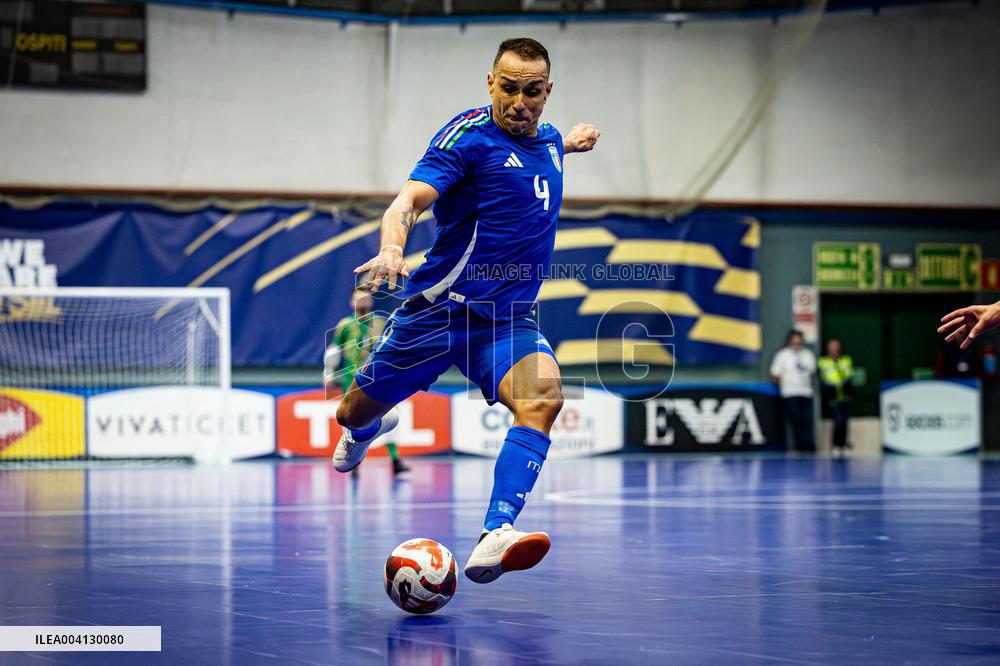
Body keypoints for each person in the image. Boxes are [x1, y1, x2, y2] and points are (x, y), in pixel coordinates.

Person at [330, 37, 600, 584]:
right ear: (489, 82)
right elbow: (407, 202)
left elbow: (542, 147)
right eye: (508, 88)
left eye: (532, 91)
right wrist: (390, 247)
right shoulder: (468, 137)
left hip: (507, 320)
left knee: (544, 398)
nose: (518, 101)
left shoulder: (547, 139)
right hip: (436, 314)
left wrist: (568, 142)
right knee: (350, 413)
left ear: (548, 92)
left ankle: (496, 534)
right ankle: (367, 429)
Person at [325, 289, 409, 476]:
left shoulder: (379, 323)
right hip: (351, 381)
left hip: (377, 379)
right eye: (358, 298)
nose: (362, 301)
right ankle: (354, 463)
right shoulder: (345, 325)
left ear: (371, 302)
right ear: (351, 302)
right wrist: (329, 372)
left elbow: (390, 346)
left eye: (366, 298)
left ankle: (395, 460)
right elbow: (334, 349)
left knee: (387, 418)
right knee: (351, 421)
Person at [769, 330, 817, 453]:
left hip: (806, 393)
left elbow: (812, 371)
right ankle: (796, 446)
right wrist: (787, 383)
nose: (797, 342)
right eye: (794, 340)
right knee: (795, 420)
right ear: (790, 341)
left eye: (799, 340)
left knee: (807, 420)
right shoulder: (782, 355)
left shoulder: (808, 355)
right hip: (790, 393)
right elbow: (774, 374)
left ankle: (808, 447)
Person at [818, 338, 853, 456]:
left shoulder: (846, 360)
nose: (833, 350)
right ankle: (836, 445)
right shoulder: (823, 362)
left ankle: (843, 444)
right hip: (833, 398)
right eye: (831, 348)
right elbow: (825, 377)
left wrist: (842, 381)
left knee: (844, 421)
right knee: (838, 421)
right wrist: (833, 384)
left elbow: (848, 375)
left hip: (845, 396)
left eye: (836, 348)